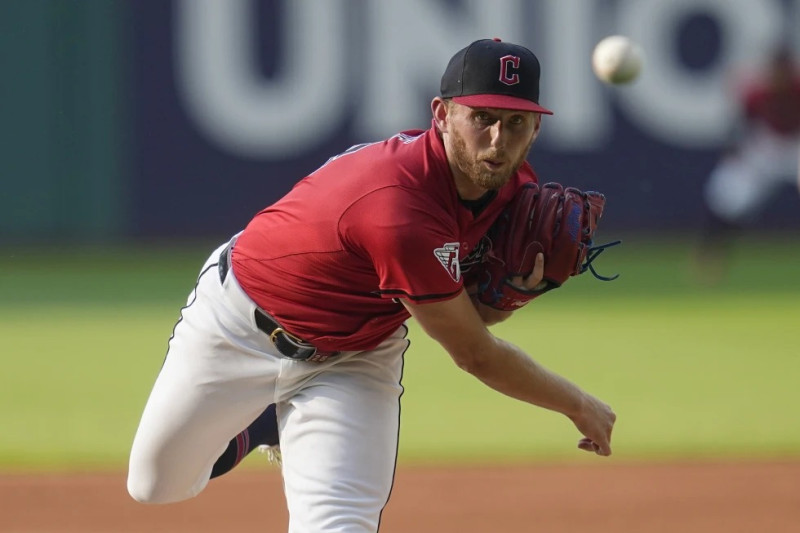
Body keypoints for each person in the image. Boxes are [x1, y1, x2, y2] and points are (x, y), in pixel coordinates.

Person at [127, 38, 616, 532]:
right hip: (239, 323)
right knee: (156, 484)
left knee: (339, 525)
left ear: (535, 129)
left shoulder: (510, 190)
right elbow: (474, 352)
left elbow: (467, 313)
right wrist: (578, 404)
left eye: (515, 123)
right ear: (442, 115)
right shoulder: (398, 207)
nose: (497, 139)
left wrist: (511, 291)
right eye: (482, 117)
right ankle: (263, 425)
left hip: (357, 354)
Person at [696, 44, 800, 282]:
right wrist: (734, 152)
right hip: (768, 144)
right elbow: (741, 125)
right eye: (775, 70)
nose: (779, 76)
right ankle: (711, 256)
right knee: (731, 191)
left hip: (797, 142)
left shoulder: (797, 87)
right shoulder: (757, 91)